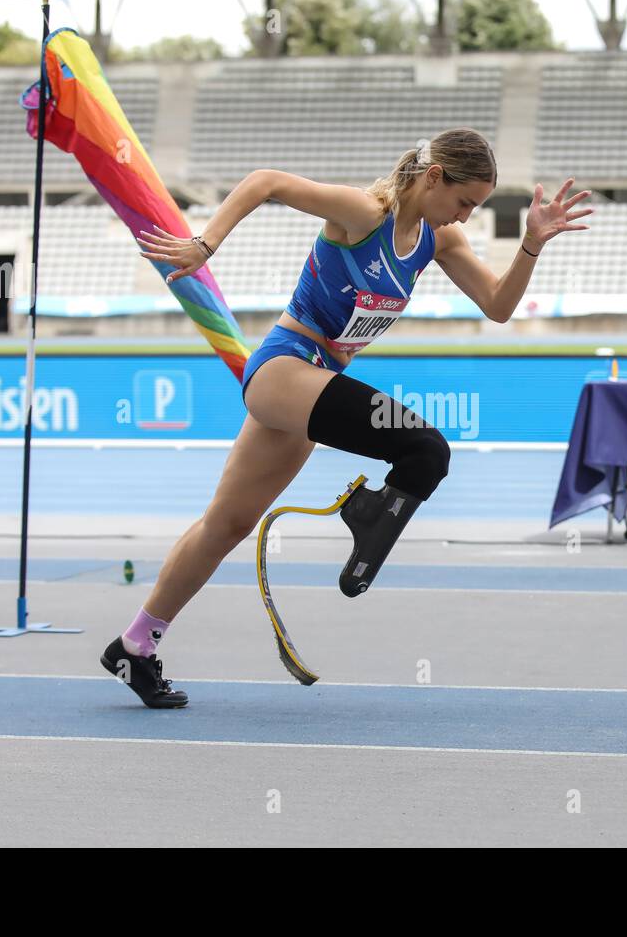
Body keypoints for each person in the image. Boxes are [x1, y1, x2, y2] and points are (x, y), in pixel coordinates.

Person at [104, 128, 592, 707]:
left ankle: (134, 645)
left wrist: (531, 243)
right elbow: (268, 182)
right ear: (435, 177)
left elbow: (499, 306)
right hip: (286, 366)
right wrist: (204, 245)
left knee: (226, 525)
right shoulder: (365, 214)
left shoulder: (439, 241)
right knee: (424, 448)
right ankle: (364, 515)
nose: (466, 215)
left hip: (314, 381)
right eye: (465, 202)